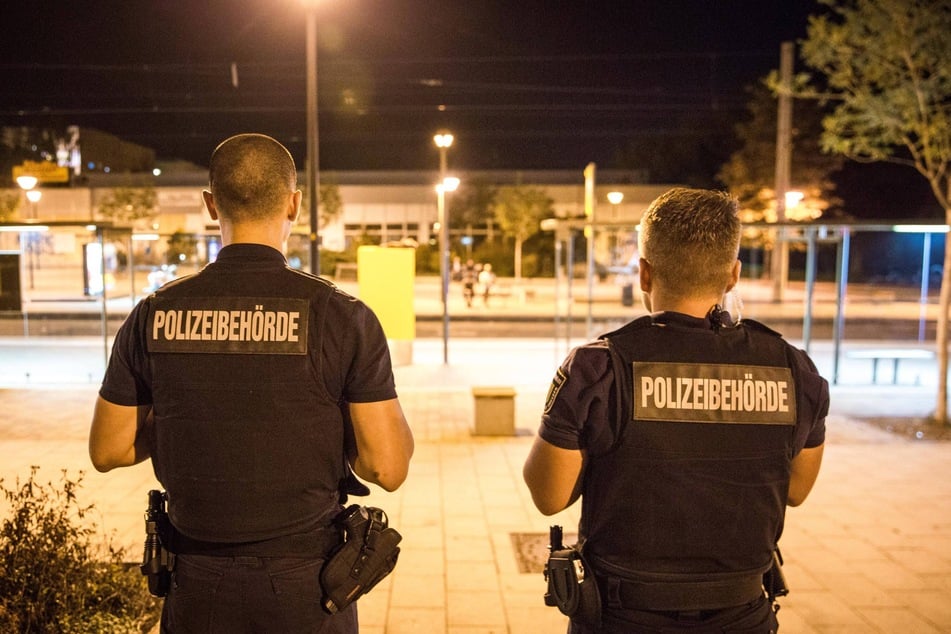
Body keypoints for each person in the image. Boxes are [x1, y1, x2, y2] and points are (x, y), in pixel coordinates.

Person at [88, 133, 414, 634]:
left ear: (211, 204)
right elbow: (387, 467)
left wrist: (191, 421)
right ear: (295, 203)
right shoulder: (343, 318)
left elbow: (109, 449)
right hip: (309, 589)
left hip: (195, 583)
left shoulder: (153, 314)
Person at [523, 188, 827, 633]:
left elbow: (549, 496)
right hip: (743, 615)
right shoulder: (793, 368)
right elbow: (796, 490)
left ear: (644, 273)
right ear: (733, 275)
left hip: (624, 618)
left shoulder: (599, 367)